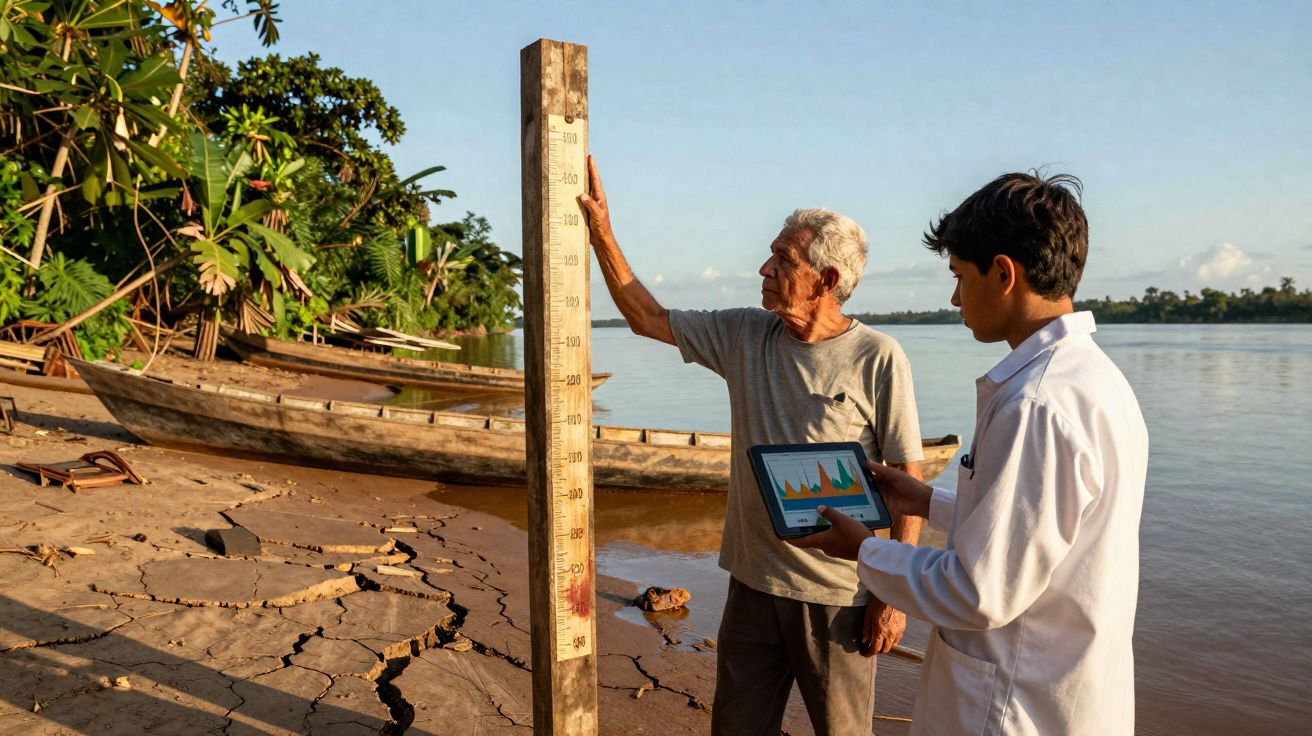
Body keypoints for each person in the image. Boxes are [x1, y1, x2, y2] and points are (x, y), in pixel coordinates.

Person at [577, 156, 925, 735]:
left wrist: (896, 593)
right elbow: (645, 316)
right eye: (771, 253)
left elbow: (907, 473)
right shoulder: (744, 334)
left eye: (783, 259)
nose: (764, 267)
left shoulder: (879, 357)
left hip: (839, 595)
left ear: (828, 280)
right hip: (753, 582)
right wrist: (601, 230)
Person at [793, 172, 1149, 735]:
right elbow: (1041, 537)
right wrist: (925, 501)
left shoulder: (1036, 403)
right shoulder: (1096, 381)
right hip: (1065, 691)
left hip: (1012, 706)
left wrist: (864, 552)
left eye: (960, 276)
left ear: (1003, 274)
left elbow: (980, 592)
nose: (955, 297)